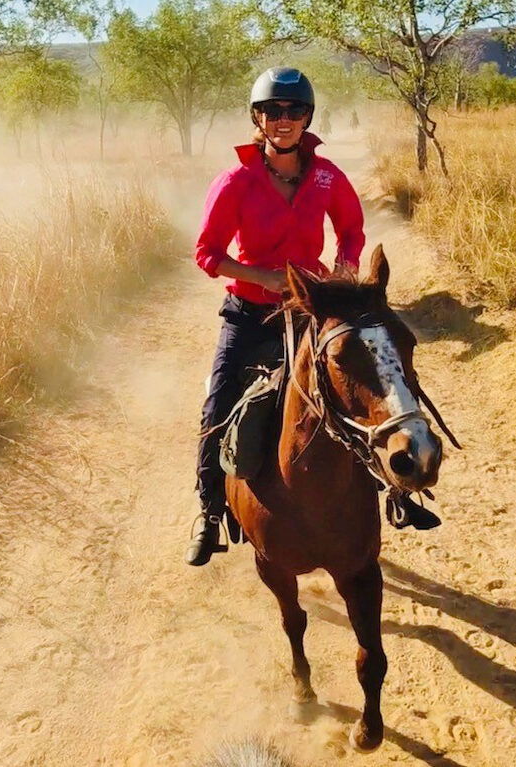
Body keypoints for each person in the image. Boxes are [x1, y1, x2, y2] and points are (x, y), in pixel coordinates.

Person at [185, 66, 364, 567]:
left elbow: (351, 230)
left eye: (293, 111)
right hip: (248, 316)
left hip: (308, 315)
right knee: (218, 406)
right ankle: (210, 511)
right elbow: (207, 253)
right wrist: (261, 277)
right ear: (257, 118)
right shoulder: (236, 181)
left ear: (307, 116)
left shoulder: (328, 176)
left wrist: (341, 278)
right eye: (272, 111)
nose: (283, 120)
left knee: (357, 392)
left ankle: (391, 491)